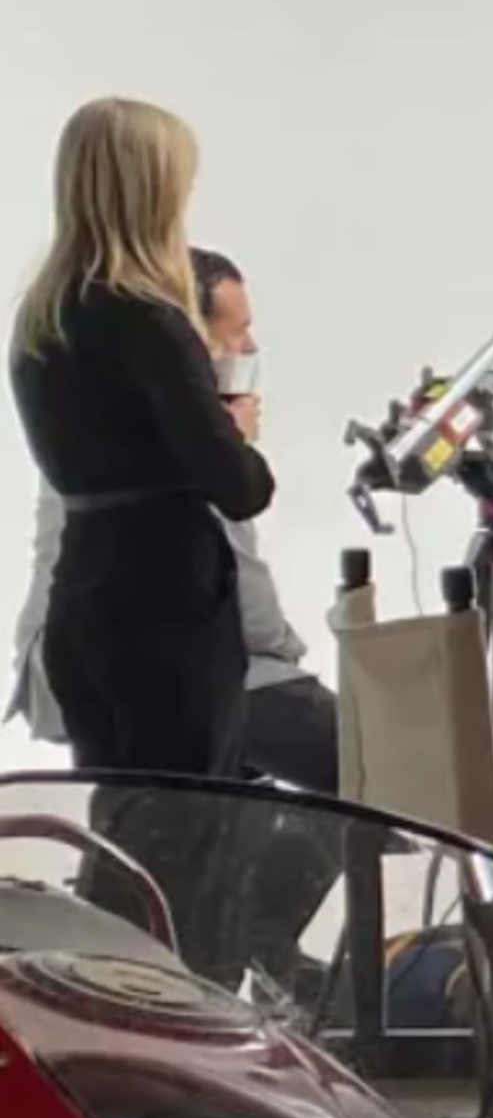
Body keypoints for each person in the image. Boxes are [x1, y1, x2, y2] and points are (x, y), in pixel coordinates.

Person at [7, 101, 274, 778]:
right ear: (150, 190)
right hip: (167, 614)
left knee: (116, 828)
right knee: (187, 833)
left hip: (84, 603)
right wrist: (236, 433)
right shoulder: (150, 320)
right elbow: (239, 489)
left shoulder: (40, 319)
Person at [11, 247, 336, 787]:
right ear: (189, 336)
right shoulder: (178, 438)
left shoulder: (99, 410)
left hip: (81, 647)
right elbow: (248, 602)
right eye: (235, 331)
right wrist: (231, 444)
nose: (248, 346)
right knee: (370, 761)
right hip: (164, 653)